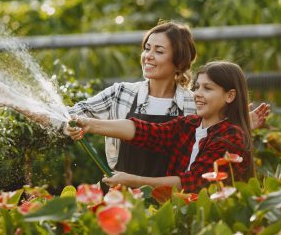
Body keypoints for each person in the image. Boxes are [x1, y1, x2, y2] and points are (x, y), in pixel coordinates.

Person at [0, 21, 269, 180]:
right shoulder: (121, 94)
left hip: (170, 199)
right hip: (120, 193)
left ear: (178, 61)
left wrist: (245, 127)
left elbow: (214, 143)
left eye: (158, 51)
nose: (148, 56)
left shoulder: (194, 105)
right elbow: (65, 118)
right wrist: (13, 100)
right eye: (146, 48)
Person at [67, 61, 254, 193]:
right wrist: (90, 124)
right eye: (197, 87)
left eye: (208, 88)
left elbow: (192, 183)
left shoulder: (231, 135)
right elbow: (146, 132)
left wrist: (133, 181)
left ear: (230, 96)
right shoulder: (189, 125)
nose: (197, 94)